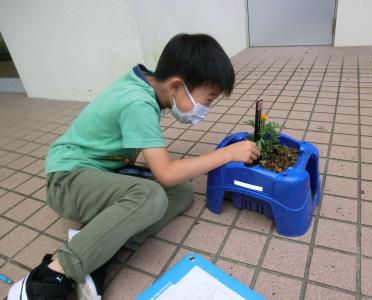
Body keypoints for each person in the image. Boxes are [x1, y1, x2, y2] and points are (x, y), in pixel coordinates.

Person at [8, 33, 260, 300]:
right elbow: (165, 172)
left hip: (99, 173)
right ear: (176, 85)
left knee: (181, 192)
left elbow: (166, 175)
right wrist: (228, 154)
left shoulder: (147, 84)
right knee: (151, 194)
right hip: (67, 181)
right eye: (207, 99)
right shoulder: (138, 103)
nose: (205, 108)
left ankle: (97, 243)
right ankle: (50, 274)